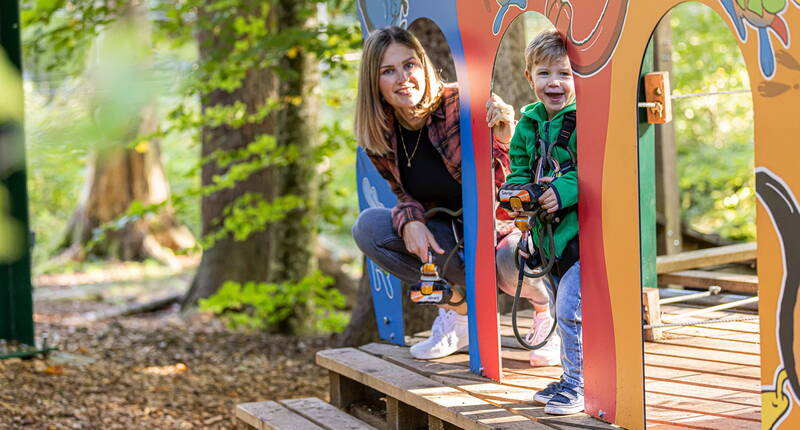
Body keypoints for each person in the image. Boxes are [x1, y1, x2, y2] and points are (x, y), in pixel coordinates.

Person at [351, 26, 555, 363]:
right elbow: (403, 195)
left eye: (410, 65)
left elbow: (512, 182)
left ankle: (547, 313)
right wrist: (409, 222)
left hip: (500, 229)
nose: (403, 78)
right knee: (369, 227)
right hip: (450, 235)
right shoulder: (380, 135)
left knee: (512, 263)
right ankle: (459, 315)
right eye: (388, 71)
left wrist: (504, 140)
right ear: (374, 82)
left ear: (423, 66)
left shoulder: (461, 103)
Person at [497, 29, 583, 415]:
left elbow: (594, 168)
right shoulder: (529, 123)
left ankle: (579, 384)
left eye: (565, 74)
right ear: (529, 76)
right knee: (563, 305)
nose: (555, 83)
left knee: (569, 309)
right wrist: (516, 192)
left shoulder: (585, 120)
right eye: (545, 73)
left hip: (581, 236)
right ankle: (571, 375)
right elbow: (518, 168)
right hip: (547, 239)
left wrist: (563, 190)